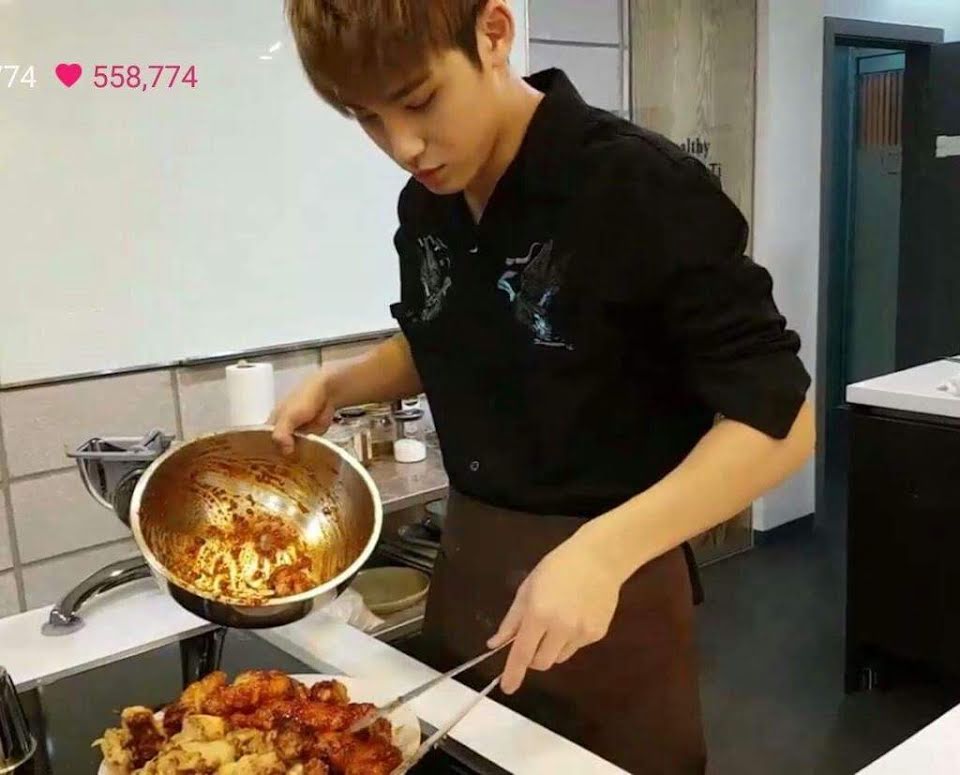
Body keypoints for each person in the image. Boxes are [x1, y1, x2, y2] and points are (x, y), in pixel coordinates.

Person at [273, 1, 815, 772]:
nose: (403, 145)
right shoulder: (426, 201)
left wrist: (605, 549)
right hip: (466, 575)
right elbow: (447, 331)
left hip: (612, 591)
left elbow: (781, 418)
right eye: (367, 118)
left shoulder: (641, 187)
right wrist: (341, 381)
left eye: (419, 100)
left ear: (494, 34)